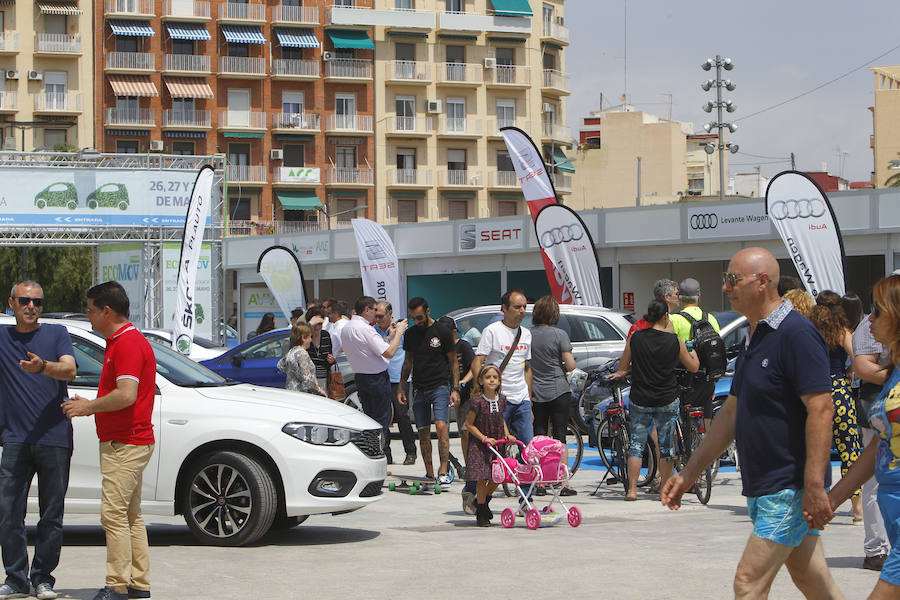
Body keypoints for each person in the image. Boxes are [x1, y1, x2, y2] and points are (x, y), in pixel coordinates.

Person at [661, 247, 841, 599]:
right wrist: (689, 474)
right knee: (812, 579)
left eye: (733, 279)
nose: (726, 287)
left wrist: (815, 486)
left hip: (788, 487)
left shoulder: (796, 334)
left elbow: (821, 409)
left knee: (748, 583)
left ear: (762, 283)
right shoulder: (756, 335)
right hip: (764, 485)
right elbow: (731, 413)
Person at [62, 281, 157, 600]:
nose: (87, 316)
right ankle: (138, 583)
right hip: (128, 440)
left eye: (90, 310)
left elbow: (127, 395)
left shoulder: (127, 343)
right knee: (130, 515)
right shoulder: (123, 341)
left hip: (126, 442)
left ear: (106, 311)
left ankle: (117, 585)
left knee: (114, 515)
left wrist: (88, 406)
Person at [0, 281, 76, 600]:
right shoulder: (2, 338)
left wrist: (42, 367)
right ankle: (16, 578)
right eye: (25, 301)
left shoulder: (56, 334)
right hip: (15, 439)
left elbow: (70, 370)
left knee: (51, 514)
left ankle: (42, 577)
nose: (31, 306)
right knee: (8, 512)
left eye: (37, 302)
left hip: (54, 438)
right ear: (12, 303)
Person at [826, 274, 900, 599]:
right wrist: (832, 499)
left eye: (878, 311)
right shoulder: (894, 370)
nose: (870, 319)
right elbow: (875, 449)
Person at [609, 299, 698, 501]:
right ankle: (664, 489)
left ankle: (632, 490)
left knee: (636, 445)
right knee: (666, 446)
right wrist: (694, 353)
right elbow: (692, 367)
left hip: (640, 397)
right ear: (666, 316)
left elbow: (623, 366)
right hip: (667, 397)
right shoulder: (674, 340)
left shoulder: (636, 338)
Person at [809, 290, 863, 522]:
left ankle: (812, 503)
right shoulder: (842, 331)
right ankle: (858, 509)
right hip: (839, 392)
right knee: (849, 449)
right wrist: (850, 371)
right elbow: (857, 357)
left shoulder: (808, 332)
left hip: (814, 392)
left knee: (813, 452)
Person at [398, 297, 459, 487]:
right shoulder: (410, 334)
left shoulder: (442, 331)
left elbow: (453, 361)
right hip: (419, 387)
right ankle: (429, 473)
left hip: (440, 386)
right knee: (423, 432)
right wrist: (401, 386)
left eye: (420, 317)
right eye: (414, 318)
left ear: (428, 311)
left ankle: (443, 471)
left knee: (441, 426)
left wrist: (455, 388)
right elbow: (408, 362)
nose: (418, 321)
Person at [341, 296, 407, 461]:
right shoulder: (365, 329)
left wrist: (389, 338)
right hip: (376, 378)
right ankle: (378, 457)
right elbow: (389, 353)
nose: (376, 316)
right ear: (367, 310)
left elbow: (371, 349)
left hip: (361, 378)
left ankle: (370, 456)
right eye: (375, 311)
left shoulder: (347, 327)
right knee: (380, 422)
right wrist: (398, 333)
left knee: (368, 420)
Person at [852, 304, 892, 571]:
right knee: (875, 480)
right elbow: (864, 368)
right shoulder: (870, 324)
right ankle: (876, 549)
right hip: (881, 409)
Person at [468, 290, 533, 448]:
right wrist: (483, 391)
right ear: (504, 308)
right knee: (498, 445)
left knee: (527, 446)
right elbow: (477, 362)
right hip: (499, 398)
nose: (522, 311)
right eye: (517, 307)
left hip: (521, 398)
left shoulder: (526, 334)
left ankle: (523, 473)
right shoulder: (492, 331)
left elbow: (527, 369)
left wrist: (529, 401)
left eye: (524, 306)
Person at [529, 296, 577, 497]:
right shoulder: (560, 334)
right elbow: (571, 365)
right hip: (559, 390)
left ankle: (539, 483)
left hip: (536, 392)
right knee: (560, 436)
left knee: (538, 437)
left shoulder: (527, 335)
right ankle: (563, 483)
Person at [465, 364, 514, 527]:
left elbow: (501, 420)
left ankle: (483, 504)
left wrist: (506, 434)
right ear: (480, 381)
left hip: (497, 443)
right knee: (482, 478)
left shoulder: (501, 400)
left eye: (495, 377)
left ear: (499, 381)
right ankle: (482, 513)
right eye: (488, 377)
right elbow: (469, 424)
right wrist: (484, 438)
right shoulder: (477, 402)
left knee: (498, 476)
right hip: (480, 445)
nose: (492, 380)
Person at [669, 277, 720, 430]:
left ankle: (676, 450)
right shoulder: (711, 318)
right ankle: (707, 446)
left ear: (679, 297)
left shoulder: (675, 320)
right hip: (707, 379)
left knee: (674, 421)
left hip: (683, 380)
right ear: (699, 296)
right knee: (706, 416)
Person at [439, 316, 477, 513]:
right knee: (462, 432)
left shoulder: (464, 346)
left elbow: (473, 368)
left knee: (467, 430)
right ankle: (468, 464)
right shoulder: (441, 349)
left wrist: (462, 382)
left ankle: (472, 465)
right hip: (455, 395)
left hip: (468, 394)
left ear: (454, 331)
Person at [375, 302, 416, 466]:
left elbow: (410, 354)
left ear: (389, 313)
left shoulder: (402, 331)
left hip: (399, 379)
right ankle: (386, 453)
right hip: (381, 378)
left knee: (402, 416)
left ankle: (411, 452)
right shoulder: (374, 332)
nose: (378, 319)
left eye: (381, 316)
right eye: (376, 316)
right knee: (383, 417)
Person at [277, 323, 327, 397]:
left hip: (291, 390)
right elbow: (307, 379)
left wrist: (292, 372)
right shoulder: (302, 354)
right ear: (303, 337)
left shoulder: (292, 351)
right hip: (302, 394)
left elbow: (280, 365)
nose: (311, 340)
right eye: (310, 337)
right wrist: (319, 390)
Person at [304, 308, 335, 395]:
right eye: (315, 323)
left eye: (320, 323)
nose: (318, 326)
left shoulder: (325, 335)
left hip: (323, 379)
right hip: (308, 379)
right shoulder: (304, 336)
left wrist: (331, 360)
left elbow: (329, 356)